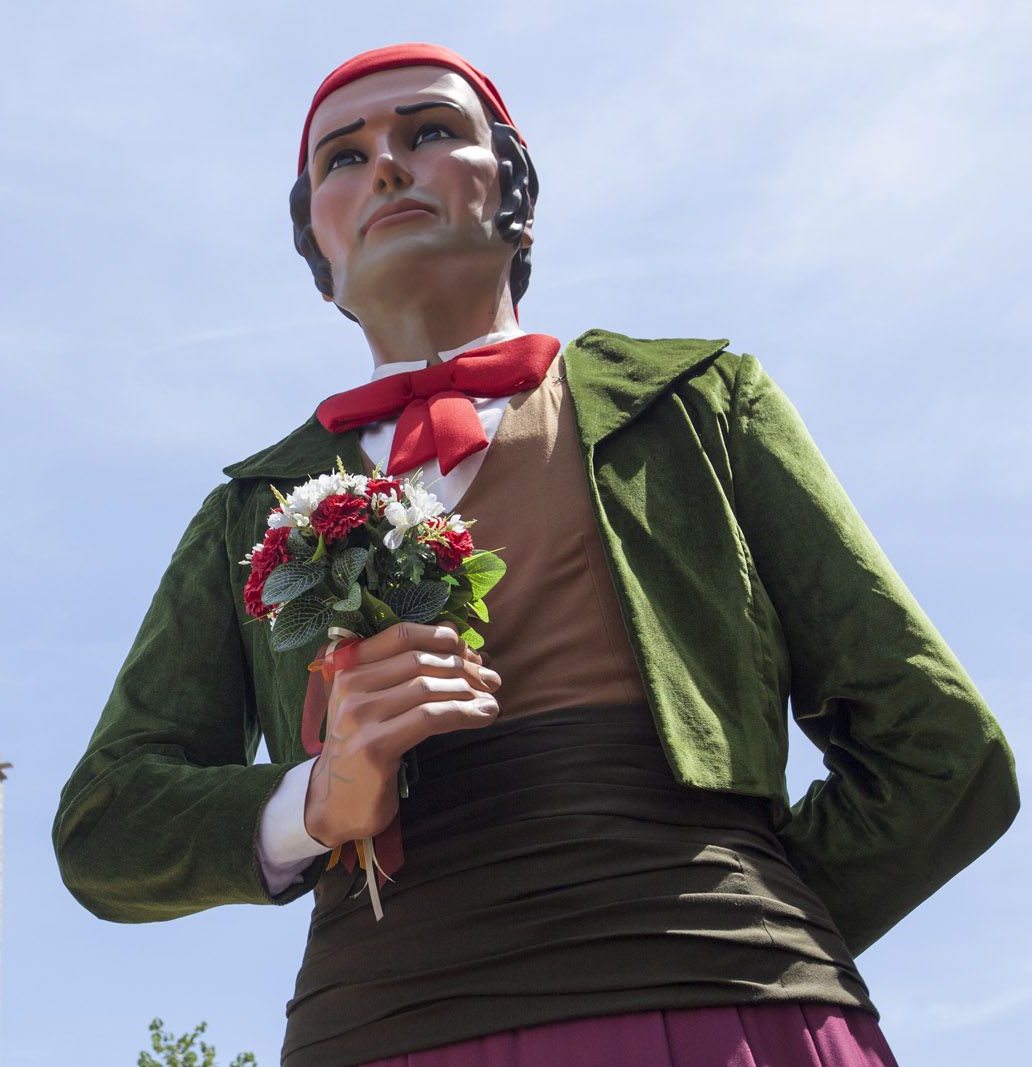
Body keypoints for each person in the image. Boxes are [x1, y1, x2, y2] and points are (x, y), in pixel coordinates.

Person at [52, 42, 1018, 1067]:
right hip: (380, 1029)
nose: (384, 165)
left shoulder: (700, 403)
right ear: (317, 252)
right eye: (341, 157)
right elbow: (105, 827)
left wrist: (748, 928)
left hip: (727, 1018)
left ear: (515, 196)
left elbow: (940, 747)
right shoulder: (247, 511)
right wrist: (313, 798)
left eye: (429, 132)